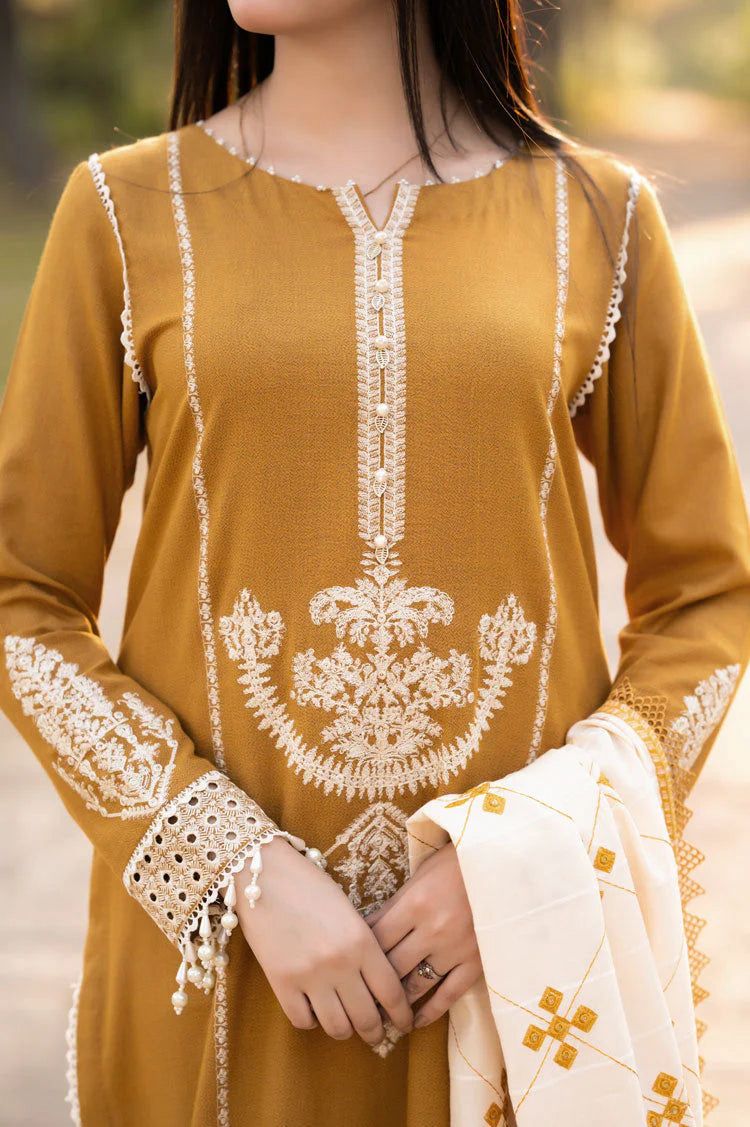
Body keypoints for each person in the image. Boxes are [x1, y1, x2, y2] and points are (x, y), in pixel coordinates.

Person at [1, 1, 749, 1124]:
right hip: (219, 971)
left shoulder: (599, 219)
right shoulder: (124, 211)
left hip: (517, 975)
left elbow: (709, 595)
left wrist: (521, 865)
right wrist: (231, 864)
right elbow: (23, 599)